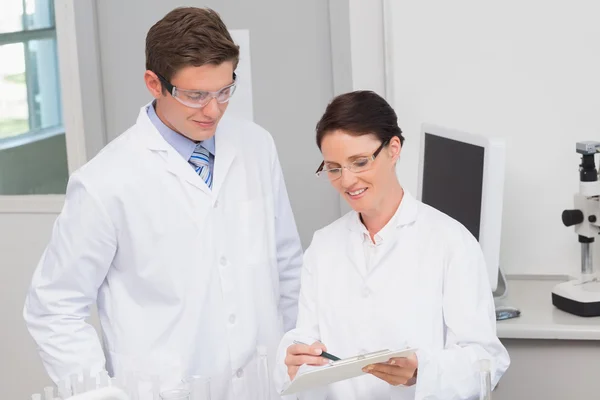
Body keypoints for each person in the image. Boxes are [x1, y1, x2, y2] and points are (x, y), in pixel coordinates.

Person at [23, 7, 303, 400]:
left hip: (265, 387)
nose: (214, 109)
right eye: (195, 95)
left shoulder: (257, 145)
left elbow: (287, 264)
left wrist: (296, 361)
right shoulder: (105, 182)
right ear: (154, 84)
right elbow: (54, 308)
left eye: (225, 90)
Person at [274, 91, 510, 399]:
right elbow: (306, 337)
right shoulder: (324, 246)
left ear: (393, 149)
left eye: (359, 162)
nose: (346, 181)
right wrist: (296, 356)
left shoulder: (451, 242)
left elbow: (486, 361)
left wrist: (421, 370)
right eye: (333, 168)